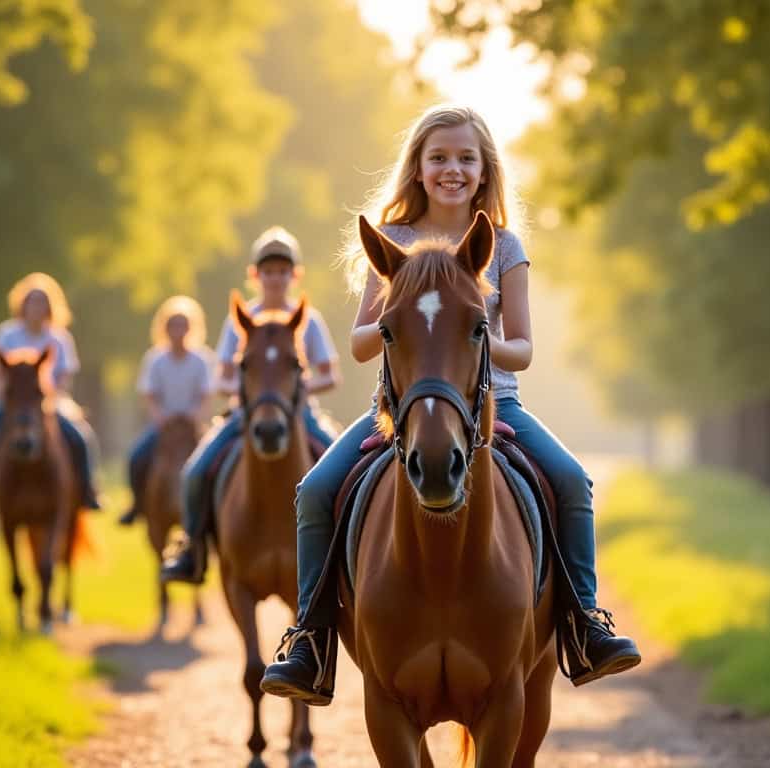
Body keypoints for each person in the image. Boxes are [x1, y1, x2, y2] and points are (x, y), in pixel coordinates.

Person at [260, 104, 641, 705]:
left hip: (491, 405)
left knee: (572, 480)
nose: (452, 169)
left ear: (485, 169)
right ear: (417, 167)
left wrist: (471, 333)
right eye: (438, 157)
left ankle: (584, 623)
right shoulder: (394, 241)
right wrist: (400, 324)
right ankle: (311, 637)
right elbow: (362, 343)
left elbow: (523, 348)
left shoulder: (504, 245)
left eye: (466, 158)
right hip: (402, 406)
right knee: (312, 490)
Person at [158, 227, 341, 582]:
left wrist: (299, 386)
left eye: (282, 271)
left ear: (294, 275)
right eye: (268, 271)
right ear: (255, 275)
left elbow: (331, 375)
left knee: (342, 468)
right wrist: (249, 393)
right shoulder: (239, 320)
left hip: (300, 413)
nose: (275, 278)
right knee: (195, 471)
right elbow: (221, 378)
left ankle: (346, 552)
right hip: (246, 414)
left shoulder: (309, 319)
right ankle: (191, 549)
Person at [0, 272, 101, 524]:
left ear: (50, 306)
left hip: (50, 404)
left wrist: (47, 400)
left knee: (82, 438)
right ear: (21, 304)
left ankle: (88, 491)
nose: (36, 307)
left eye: (41, 302)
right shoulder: (6, 334)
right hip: (12, 405)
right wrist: (10, 398)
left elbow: (64, 378)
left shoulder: (59, 338)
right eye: (31, 301)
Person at [118, 296, 215, 525]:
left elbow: (205, 396)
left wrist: (195, 415)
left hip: (192, 426)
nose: (178, 330)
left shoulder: (202, 359)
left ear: (192, 328)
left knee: (214, 461)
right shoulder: (155, 359)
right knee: (137, 457)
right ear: (164, 327)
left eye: (183, 324)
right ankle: (137, 504)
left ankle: (213, 508)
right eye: (173, 324)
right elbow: (149, 396)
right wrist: (160, 417)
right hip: (165, 426)